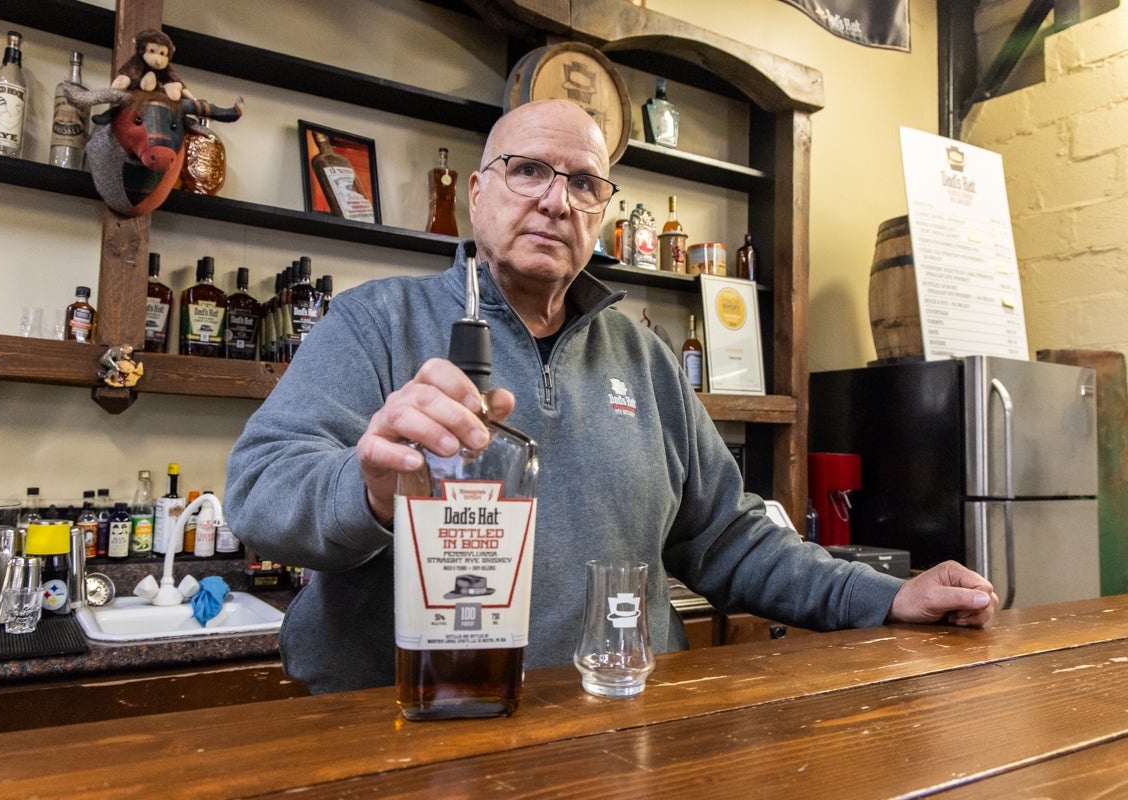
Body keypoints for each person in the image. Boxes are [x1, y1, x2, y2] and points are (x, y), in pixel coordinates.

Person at [225, 99, 997, 695]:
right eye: (529, 171)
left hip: (618, 721)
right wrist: (370, 492)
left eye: (585, 183)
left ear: (601, 211)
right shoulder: (376, 322)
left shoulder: (646, 357)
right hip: (410, 721)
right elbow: (259, 491)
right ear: (475, 193)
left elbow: (728, 538)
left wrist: (884, 598)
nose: (557, 201)